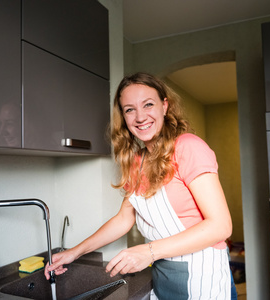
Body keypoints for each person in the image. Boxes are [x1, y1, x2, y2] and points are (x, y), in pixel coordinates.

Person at [45, 72, 233, 299]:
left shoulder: (188, 147)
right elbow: (124, 219)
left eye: (148, 105)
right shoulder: (137, 161)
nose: (140, 116)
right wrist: (73, 253)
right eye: (129, 109)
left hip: (204, 276)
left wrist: (149, 252)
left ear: (165, 106)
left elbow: (221, 226)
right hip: (163, 275)